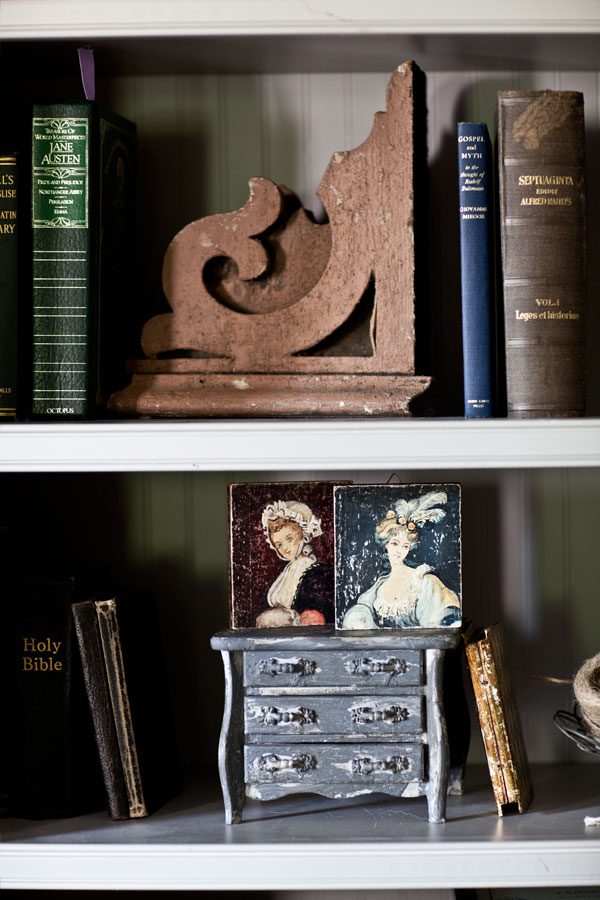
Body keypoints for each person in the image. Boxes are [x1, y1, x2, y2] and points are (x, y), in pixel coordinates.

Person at [342, 490, 461, 629]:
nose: (399, 551)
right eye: (394, 543)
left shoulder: (425, 582)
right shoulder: (377, 589)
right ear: (386, 544)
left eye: (405, 546)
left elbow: (442, 623)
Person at [255, 499, 334, 627]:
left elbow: (316, 618)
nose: (285, 548)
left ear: (303, 533)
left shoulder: (318, 573)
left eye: (289, 538)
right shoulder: (286, 571)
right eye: (279, 544)